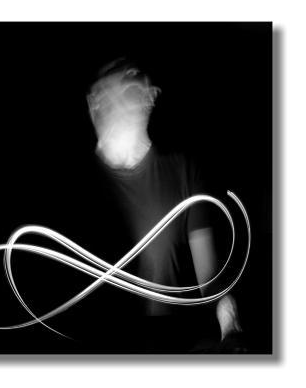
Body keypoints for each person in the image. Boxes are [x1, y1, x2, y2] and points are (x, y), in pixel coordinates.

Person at [86, 59, 246, 353]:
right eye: (102, 96)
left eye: (129, 90)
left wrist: (230, 326)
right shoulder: (78, 182)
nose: (108, 104)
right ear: (92, 103)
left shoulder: (183, 171)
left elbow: (209, 281)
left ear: (149, 97)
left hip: (172, 347)